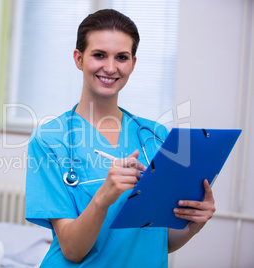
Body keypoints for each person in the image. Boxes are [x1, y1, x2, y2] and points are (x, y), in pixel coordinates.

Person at [25, 9, 216, 267]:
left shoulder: (156, 137)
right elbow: (72, 249)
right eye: (99, 55)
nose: (111, 67)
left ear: (133, 64)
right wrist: (104, 197)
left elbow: (158, 240)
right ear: (78, 59)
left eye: (122, 57)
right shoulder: (50, 140)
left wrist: (192, 225)